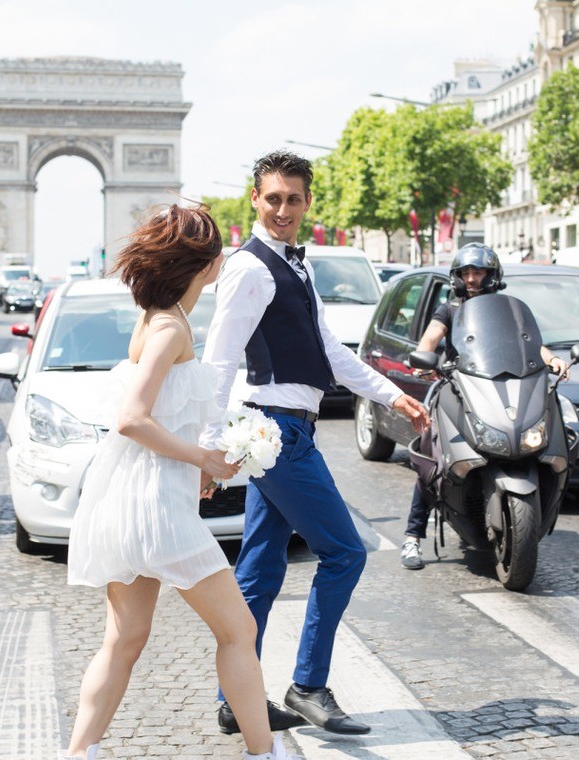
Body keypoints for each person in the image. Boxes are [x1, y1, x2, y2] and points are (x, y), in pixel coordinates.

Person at [201, 150, 429, 736]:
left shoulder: (295, 266)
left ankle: (236, 699)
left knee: (258, 569)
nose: (282, 209)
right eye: (272, 198)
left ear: (306, 202)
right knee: (346, 552)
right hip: (273, 430)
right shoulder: (250, 268)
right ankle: (307, 685)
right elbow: (220, 359)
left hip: (284, 428)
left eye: (293, 199)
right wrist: (208, 448)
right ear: (254, 198)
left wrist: (388, 394)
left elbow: (329, 351)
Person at [61, 205, 299, 760]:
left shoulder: (156, 317)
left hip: (132, 499)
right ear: (209, 266)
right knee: (238, 631)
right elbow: (132, 418)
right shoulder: (169, 326)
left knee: (123, 640)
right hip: (155, 509)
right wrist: (204, 460)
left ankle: (78, 755)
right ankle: (264, 754)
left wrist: (194, 468)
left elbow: (159, 415)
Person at [399, 243, 568, 571]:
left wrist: (553, 360)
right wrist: (425, 357)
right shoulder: (448, 310)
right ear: (458, 277)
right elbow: (430, 339)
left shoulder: (509, 311)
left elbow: (531, 344)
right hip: (458, 387)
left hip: (496, 387)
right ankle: (412, 536)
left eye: (479, 272)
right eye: (467, 273)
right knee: (430, 455)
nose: (473, 278)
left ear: (493, 275)